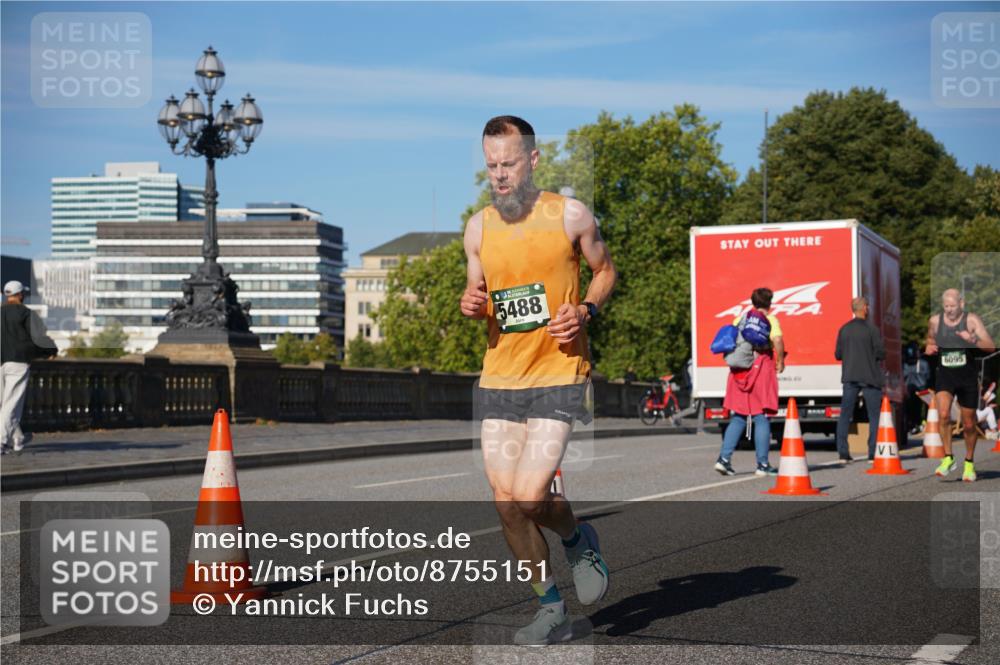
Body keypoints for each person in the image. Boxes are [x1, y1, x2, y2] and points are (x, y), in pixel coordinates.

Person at [460, 115, 617, 646]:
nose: (499, 175)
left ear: (532, 159)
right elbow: (476, 293)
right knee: (505, 502)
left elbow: (605, 271)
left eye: (508, 163)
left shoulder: (570, 215)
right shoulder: (478, 226)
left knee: (530, 495)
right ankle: (551, 609)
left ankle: (577, 538)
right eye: (490, 165)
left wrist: (586, 312)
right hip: (501, 372)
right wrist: (470, 302)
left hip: (558, 369)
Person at [925, 288, 996, 482]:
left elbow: (990, 346)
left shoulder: (971, 320)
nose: (949, 310)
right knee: (944, 414)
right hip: (945, 376)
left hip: (967, 378)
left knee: (969, 424)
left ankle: (969, 462)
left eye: (953, 306)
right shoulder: (935, 321)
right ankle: (948, 458)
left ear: (961, 304)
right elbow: (930, 340)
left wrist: (972, 339)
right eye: (946, 306)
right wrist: (929, 347)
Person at [714, 287, 782, 477]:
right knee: (761, 417)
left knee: (739, 416)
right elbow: (777, 339)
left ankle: (723, 459)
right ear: (770, 303)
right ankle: (762, 465)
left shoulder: (740, 319)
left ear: (753, 302)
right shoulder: (770, 320)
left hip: (739, 373)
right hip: (758, 372)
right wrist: (781, 359)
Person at [1, 280, 56, 454]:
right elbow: (39, 337)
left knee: (4, 404)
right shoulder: (27, 314)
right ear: (20, 295)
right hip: (18, 362)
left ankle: (18, 438)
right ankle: (1, 441)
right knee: (11, 404)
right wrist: (50, 350)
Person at [833, 297, 886, 464]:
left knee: (845, 414)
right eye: (867, 306)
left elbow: (838, 355)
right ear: (864, 308)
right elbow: (880, 353)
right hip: (870, 377)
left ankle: (843, 453)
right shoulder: (872, 329)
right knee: (874, 416)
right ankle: (873, 452)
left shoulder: (844, 329)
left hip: (850, 377)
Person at [903, 341, 931, 434]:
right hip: (910, 390)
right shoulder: (905, 364)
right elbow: (927, 376)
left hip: (920, 390)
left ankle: (919, 422)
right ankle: (911, 423)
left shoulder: (922, 364)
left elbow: (927, 377)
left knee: (921, 404)